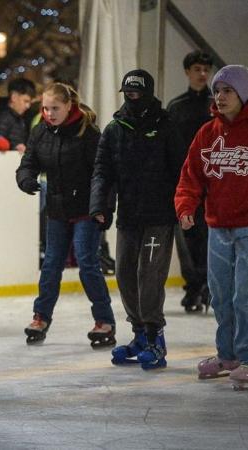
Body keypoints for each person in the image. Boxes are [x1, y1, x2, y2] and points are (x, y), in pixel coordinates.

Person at [90, 69, 185, 371]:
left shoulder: (167, 125)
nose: (131, 98)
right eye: (127, 93)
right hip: (129, 215)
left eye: (136, 93)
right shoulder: (115, 128)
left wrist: (184, 208)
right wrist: (99, 205)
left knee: (150, 276)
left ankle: (156, 336)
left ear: (147, 93)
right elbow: (102, 171)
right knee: (125, 274)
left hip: (159, 215)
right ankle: (140, 334)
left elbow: (182, 169)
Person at [16, 83, 116, 348]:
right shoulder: (41, 131)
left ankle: (104, 320)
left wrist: (103, 208)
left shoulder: (88, 132)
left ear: (69, 105)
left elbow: (102, 173)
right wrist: (25, 178)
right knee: (51, 264)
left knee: (87, 261)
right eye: (46, 108)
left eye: (55, 108)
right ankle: (40, 317)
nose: (49, 113)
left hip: (87, 210)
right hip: (58, 209)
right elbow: (29, 163)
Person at [175, 65, 248, 386]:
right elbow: (191, 176)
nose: (220, 97)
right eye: (217, 91)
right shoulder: (207, 133)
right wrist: (186, 205)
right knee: (220, 295)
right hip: (217, 228)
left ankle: (246, 358)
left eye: (228, 91)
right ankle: (228, 354)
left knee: (244, 296)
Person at [167, 50, 215, 313]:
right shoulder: (176, 107)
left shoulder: (217, 104)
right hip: (185, 182)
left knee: (208, 237)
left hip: (214, 184)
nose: (202, 74)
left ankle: (207, 286)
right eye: (197, 69)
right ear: (187, 71)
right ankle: (194, 286)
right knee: (186, 237)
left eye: (206, 69)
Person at [0, 77, 36, 152]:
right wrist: (14, 147)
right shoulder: (4, 118)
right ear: (14, 97)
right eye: (25, 101)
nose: (28, 106)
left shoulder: (21, 118)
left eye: (30, 102)